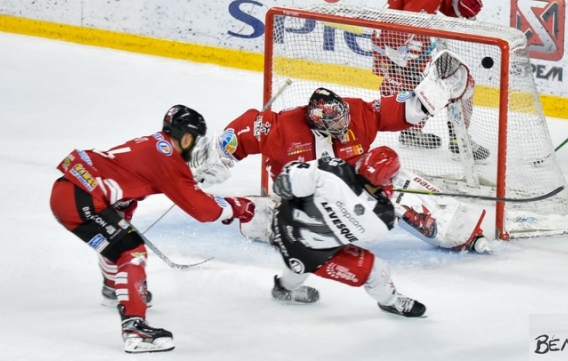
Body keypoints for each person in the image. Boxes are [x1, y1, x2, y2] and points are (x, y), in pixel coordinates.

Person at [196, 51, 492, 254]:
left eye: (343, 119)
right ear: (315, 121)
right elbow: (235, 137)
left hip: (352, 187)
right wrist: (207, 165)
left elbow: (406, 108)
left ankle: (458, 233)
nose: (342, 125)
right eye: (334, 123)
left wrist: (436, 89)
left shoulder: (358, 112)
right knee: (273, 223)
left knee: (392, 174)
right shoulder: (280, 128)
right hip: (301, 196)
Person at [49, 105, 256, 353]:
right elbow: (203, 210)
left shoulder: (154, 145)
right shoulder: (167, 158)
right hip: (80, 198)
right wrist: (238, 207)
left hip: (70, 191)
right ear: (188, 137)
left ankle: (113, 287)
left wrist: (190, 181)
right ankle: (135, 330)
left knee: (120, 236)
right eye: (196, 140)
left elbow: (128, 197)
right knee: (131, 251)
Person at [269, 146, 426, 317]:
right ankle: (392, 302)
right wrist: (383, 195)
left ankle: (284, 288)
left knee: (296, 262)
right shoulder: (382, 216)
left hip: (282, 225)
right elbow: (371, 234)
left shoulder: (335, 170)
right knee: (376, 270)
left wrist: (291, 178)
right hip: (312, 255)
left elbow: (289, 178)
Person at [371, 0, 489, 161]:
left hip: (404, 50)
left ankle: (412, 133)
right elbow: (402, 29)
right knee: (460, 85)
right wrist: (404, 64)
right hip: (404, 53)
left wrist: (457, 3)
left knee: (423, 93)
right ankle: (459, 141)